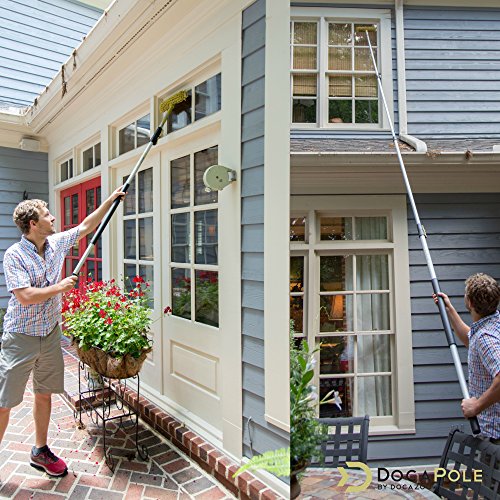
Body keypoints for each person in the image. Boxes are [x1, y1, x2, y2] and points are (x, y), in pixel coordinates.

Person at [0, 187, 125, 476]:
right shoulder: (14, 255)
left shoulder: (55, 243)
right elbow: (26, 296)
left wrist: (111, 200)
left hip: (50, 333)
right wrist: (60, 287)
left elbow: (84, 227)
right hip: (21, 337)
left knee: (44, 394)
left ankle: (40, 451)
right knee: (5, 402)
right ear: (33, 223)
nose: (53, 217)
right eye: (47, 215)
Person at [434, 273, 500, 442]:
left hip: (494, 437)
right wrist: (449, 309)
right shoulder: (491, 326)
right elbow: (472, 339)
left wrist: (476, 406)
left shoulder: (486, 338)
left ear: (470, 302)